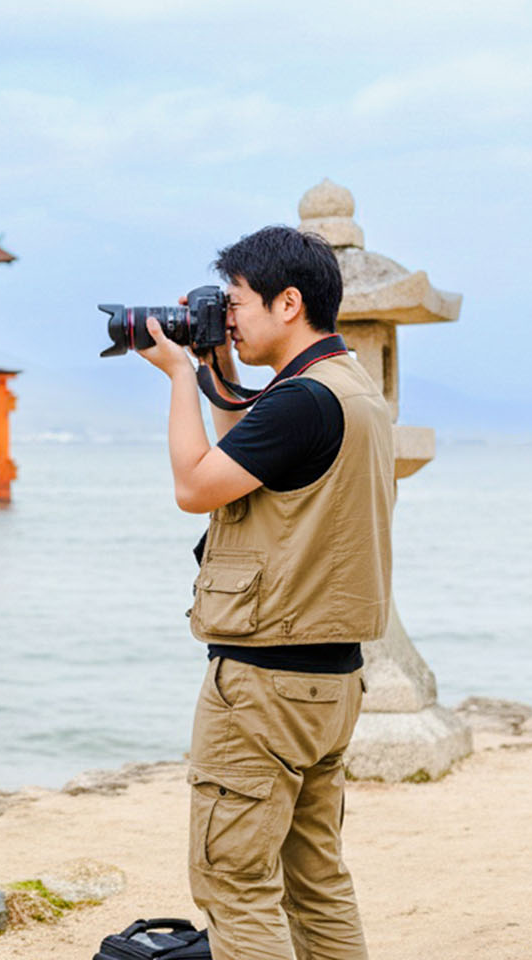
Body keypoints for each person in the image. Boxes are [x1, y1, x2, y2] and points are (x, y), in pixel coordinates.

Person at [135, 226, 393, 960]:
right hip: (330, 681)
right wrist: (217, 365)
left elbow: (196, 484)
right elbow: (244, 459)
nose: (230, 318)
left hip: (264, 687)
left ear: (289, 302)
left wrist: (181, 376)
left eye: (238, 304)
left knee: (235, 885)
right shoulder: (347, 390)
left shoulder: (302, 401)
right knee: (316, 881)